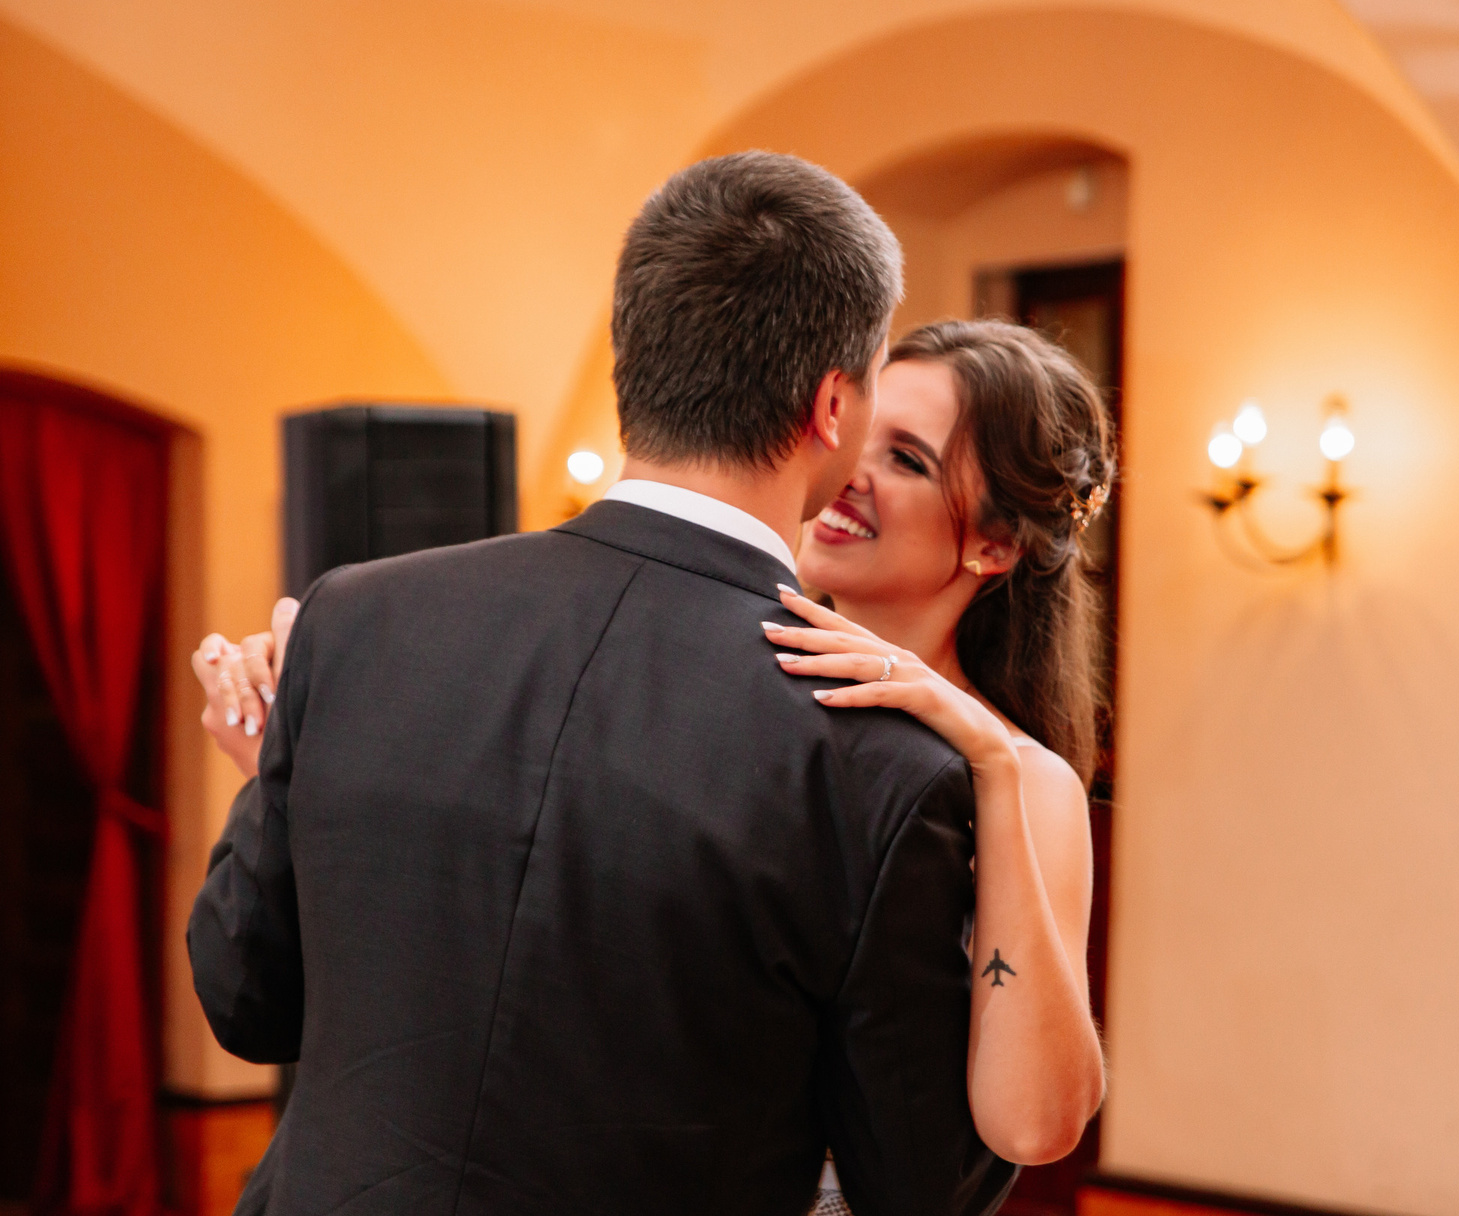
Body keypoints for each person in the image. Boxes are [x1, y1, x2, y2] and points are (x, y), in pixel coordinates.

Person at [187, 151, 1019, 1216]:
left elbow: (244, 997)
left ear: (637, 362)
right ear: (831, 403)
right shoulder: (875, 755)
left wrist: (275, 783)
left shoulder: (354, 620)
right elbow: (915, 1181)